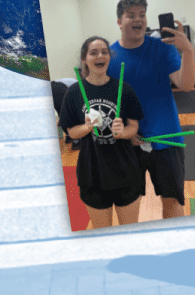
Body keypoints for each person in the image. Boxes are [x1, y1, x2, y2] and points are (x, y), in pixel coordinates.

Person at [108, 0, 195, 219]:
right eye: (131, 15)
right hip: (129, 142)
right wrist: (125, 134)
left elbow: (186, 85)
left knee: (173, 202)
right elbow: (105, 103)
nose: (138, 19)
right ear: (119, 21)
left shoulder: (162, 49)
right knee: (127, 206)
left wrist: (187, 51)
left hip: (167, 138)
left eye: (142, 15)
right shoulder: (108, 56)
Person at [59, 36, 145, 229]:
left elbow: (134, 127)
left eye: (104, 52)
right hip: (92, 174)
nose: (100, 56)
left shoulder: (124, 89)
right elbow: (72, 132)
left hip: (126, 171)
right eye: (93, 52)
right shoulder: (73, 93)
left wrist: (123, 132)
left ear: (109, 56)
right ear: (84, 59)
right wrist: (87, 127)